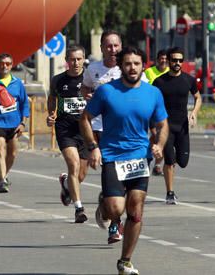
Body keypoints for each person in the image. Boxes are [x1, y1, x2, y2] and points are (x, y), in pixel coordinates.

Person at [80, 46, 168, 275]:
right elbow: (85, 118)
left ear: (143, 65)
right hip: (111, 156)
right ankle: (105, 206)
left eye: (137, 63)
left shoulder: (153, 93)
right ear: (121, 66)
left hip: (140, 157)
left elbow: (162, 124)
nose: (132, 68)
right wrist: (93, 147)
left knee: (136, 209)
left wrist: (159, 144)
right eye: (128, 63)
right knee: (115, 207)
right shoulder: (107, 91)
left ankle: (125, 261)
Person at [81, 30, 124, 241]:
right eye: (108, 46)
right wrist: (88, 95)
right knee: (110, 174)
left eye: (116, 46)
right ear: (101, 48)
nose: (113, 50)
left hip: (124, 131)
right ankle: (113, 219)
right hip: (99, 128)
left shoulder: (128, 68)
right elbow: (85, 87)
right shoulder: (93, 69)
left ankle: (108, 209)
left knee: (122, 180)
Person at [151, 47, 202, 205]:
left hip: (182, 126)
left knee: (183, 161)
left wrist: (194, 112)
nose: (177, 63)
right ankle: (170, 193)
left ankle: (171, 188)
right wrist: (153, 127)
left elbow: (198, 97)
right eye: (174, 60)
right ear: (169, 61)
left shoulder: (188, 80)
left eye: (180, 60)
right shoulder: (159, 82)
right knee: (169, 160)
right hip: (165, 127)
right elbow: (151, 103)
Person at [47, 44, 90, 223]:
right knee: (73, 166)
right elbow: (52, 99)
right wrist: (51, 114)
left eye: (79, 59)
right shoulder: (58, 80)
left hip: (86, 130)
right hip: (65, 129)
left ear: (84, 60)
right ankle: (79, 209)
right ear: (66, 61)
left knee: (81, 174)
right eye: (72, 59)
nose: (76, 63)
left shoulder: (89, 79)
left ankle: (66, 185)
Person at [0, 52, 29, 193]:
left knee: (13, 153)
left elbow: (24, 104)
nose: (5, 66)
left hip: (14, 124)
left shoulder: (17, 84)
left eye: (8, 64)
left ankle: (4, 174)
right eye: (2, 63)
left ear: (12, 65)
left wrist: (23, 123)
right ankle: (3, 180)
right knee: (0, 148)